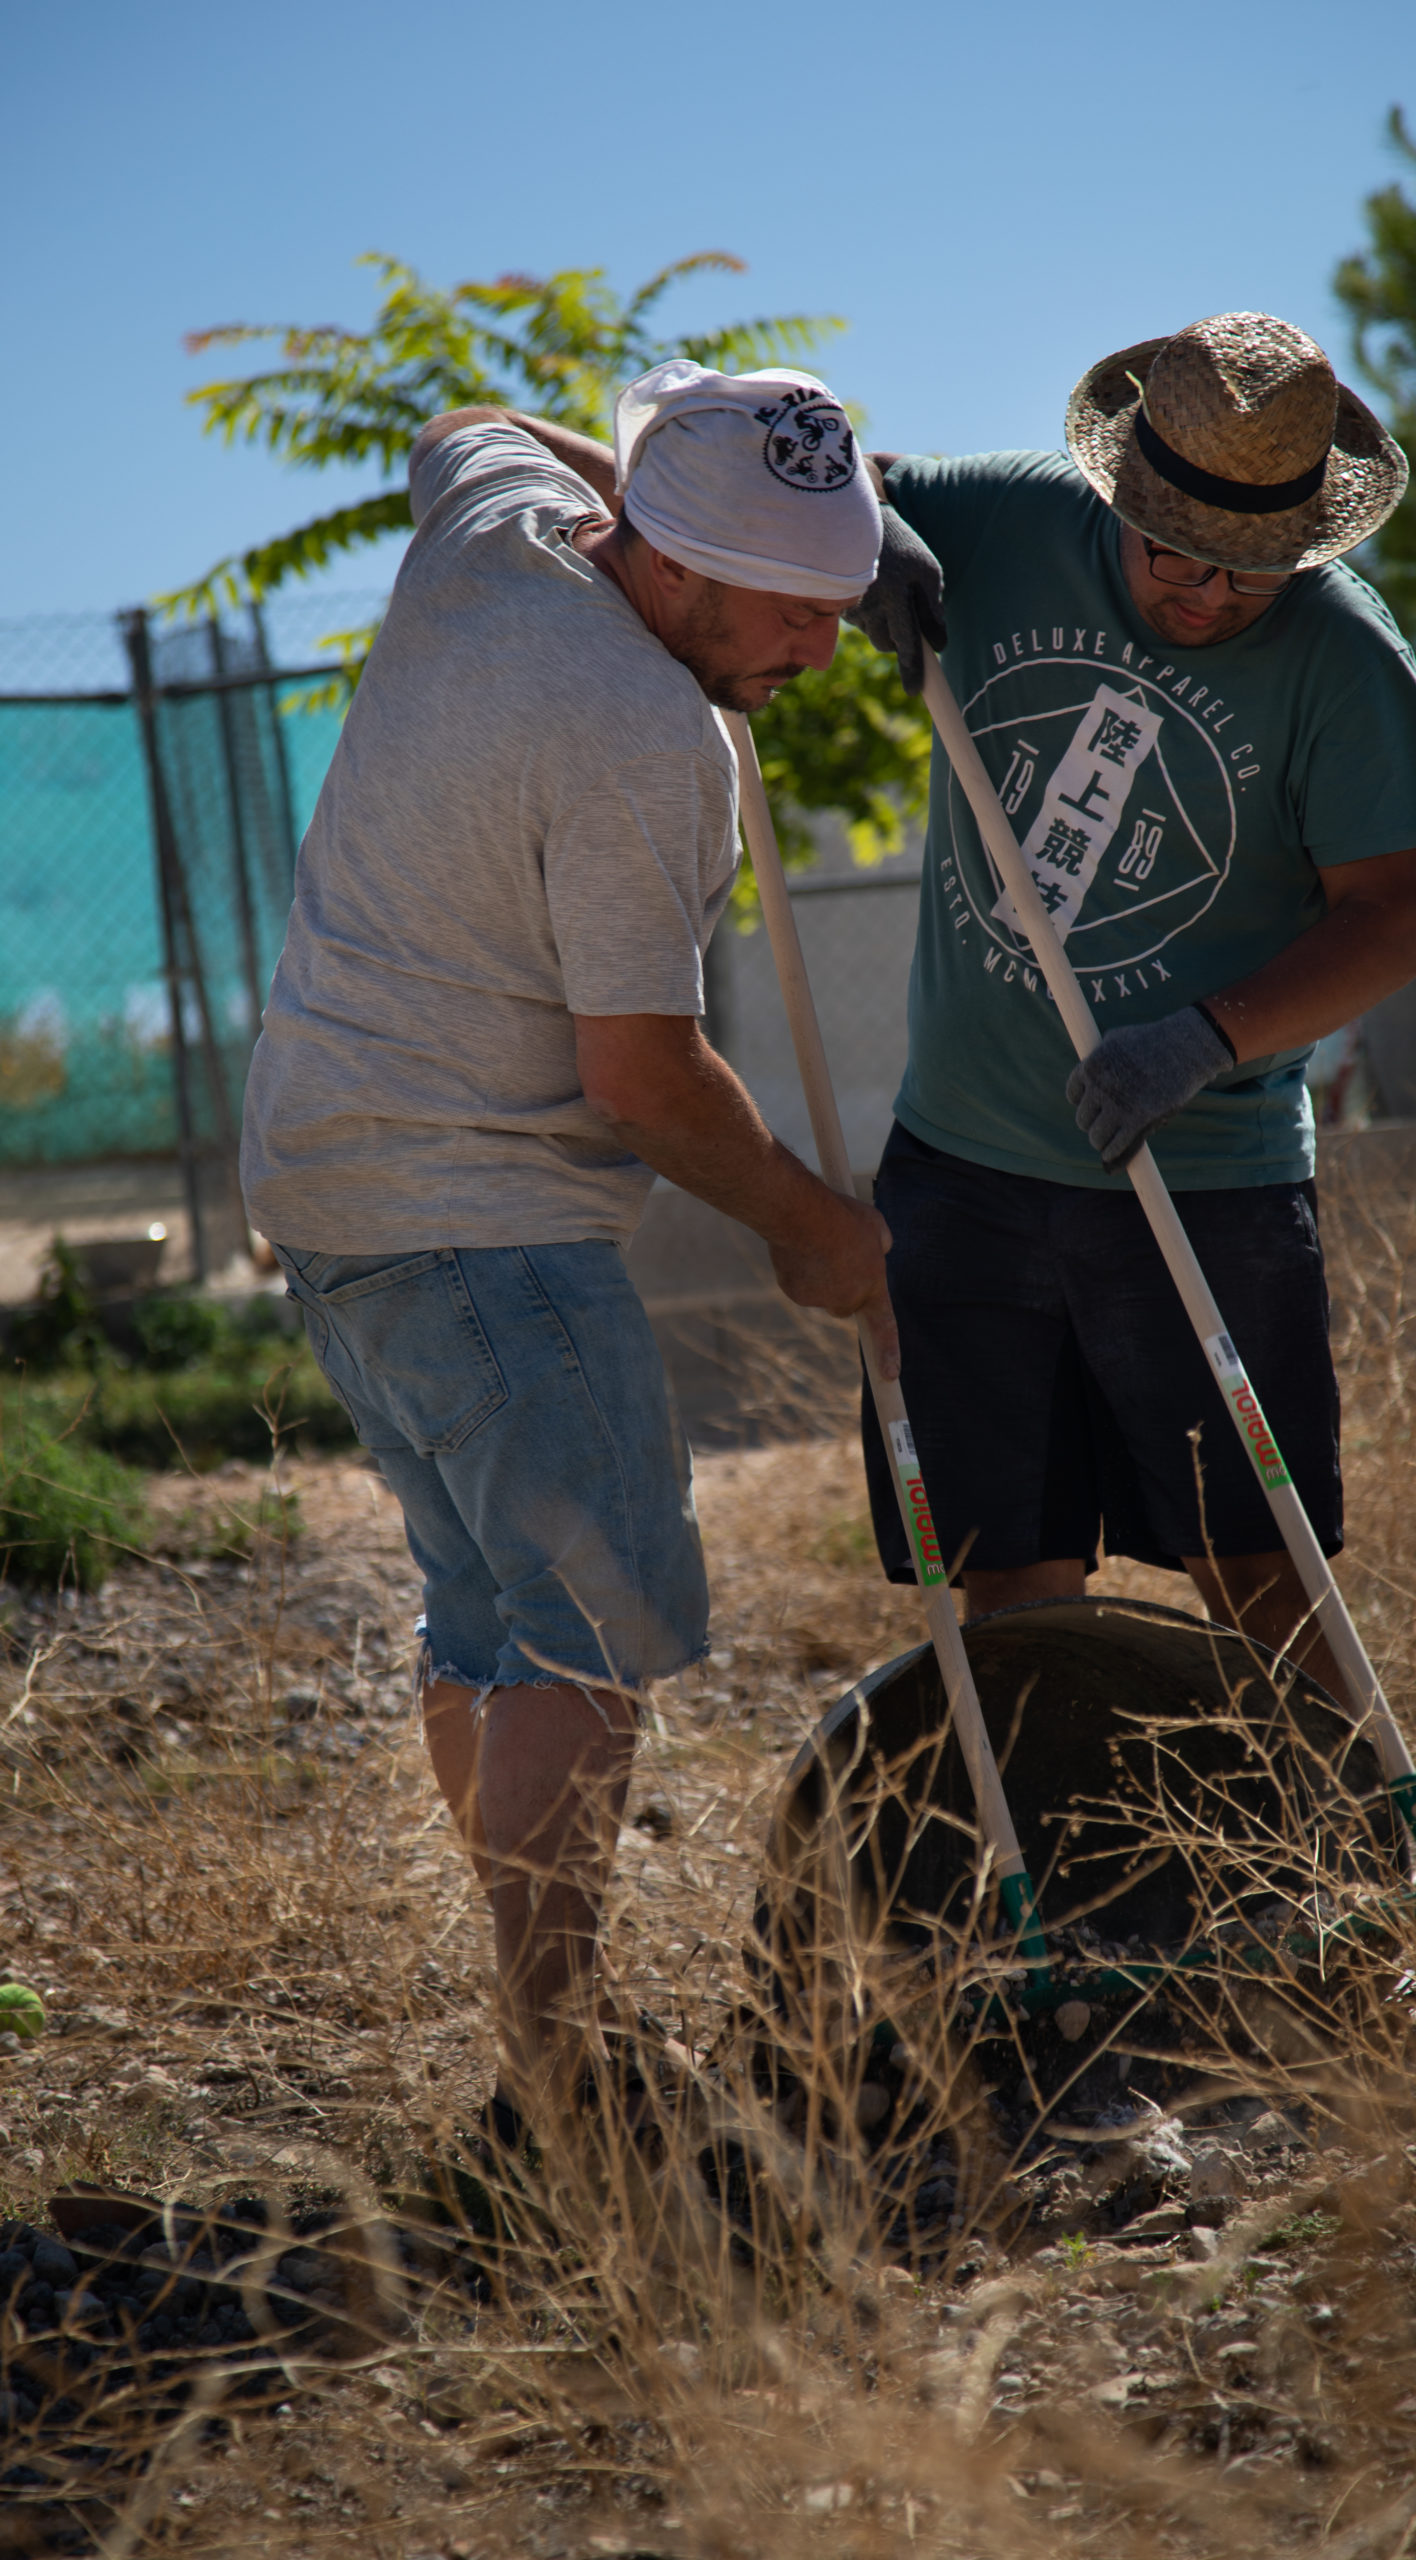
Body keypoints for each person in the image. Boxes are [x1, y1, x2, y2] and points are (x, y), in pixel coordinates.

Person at [241, 360, 896, 2143]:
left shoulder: (503, 531)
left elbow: (458, 425)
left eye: (843, 603)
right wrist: (815, 1232)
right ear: (671, 563)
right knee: (584, 1641)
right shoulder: (640, 734)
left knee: (490, 1617)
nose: (824, 653)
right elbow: (645, 1082)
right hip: (490, 1218)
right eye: (796, 609)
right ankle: (557, 2076)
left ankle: (544, 2026)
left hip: (331, 1189)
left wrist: (689, 474)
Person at [849, 311, 1416, 1704]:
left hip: (1203, 1183)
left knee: (1255, 1557)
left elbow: (1393, 918)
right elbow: (801, 465)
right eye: (1175, 554)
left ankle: (1327, 1857)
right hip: (961, 1167)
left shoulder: (1342, 660)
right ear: (1119, 494)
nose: (1205, 596)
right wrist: (859, 523)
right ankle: (1058, 1877)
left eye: (1250, 574)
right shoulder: (1000, 523)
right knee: (1002, 1570)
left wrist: (1207, 1039)